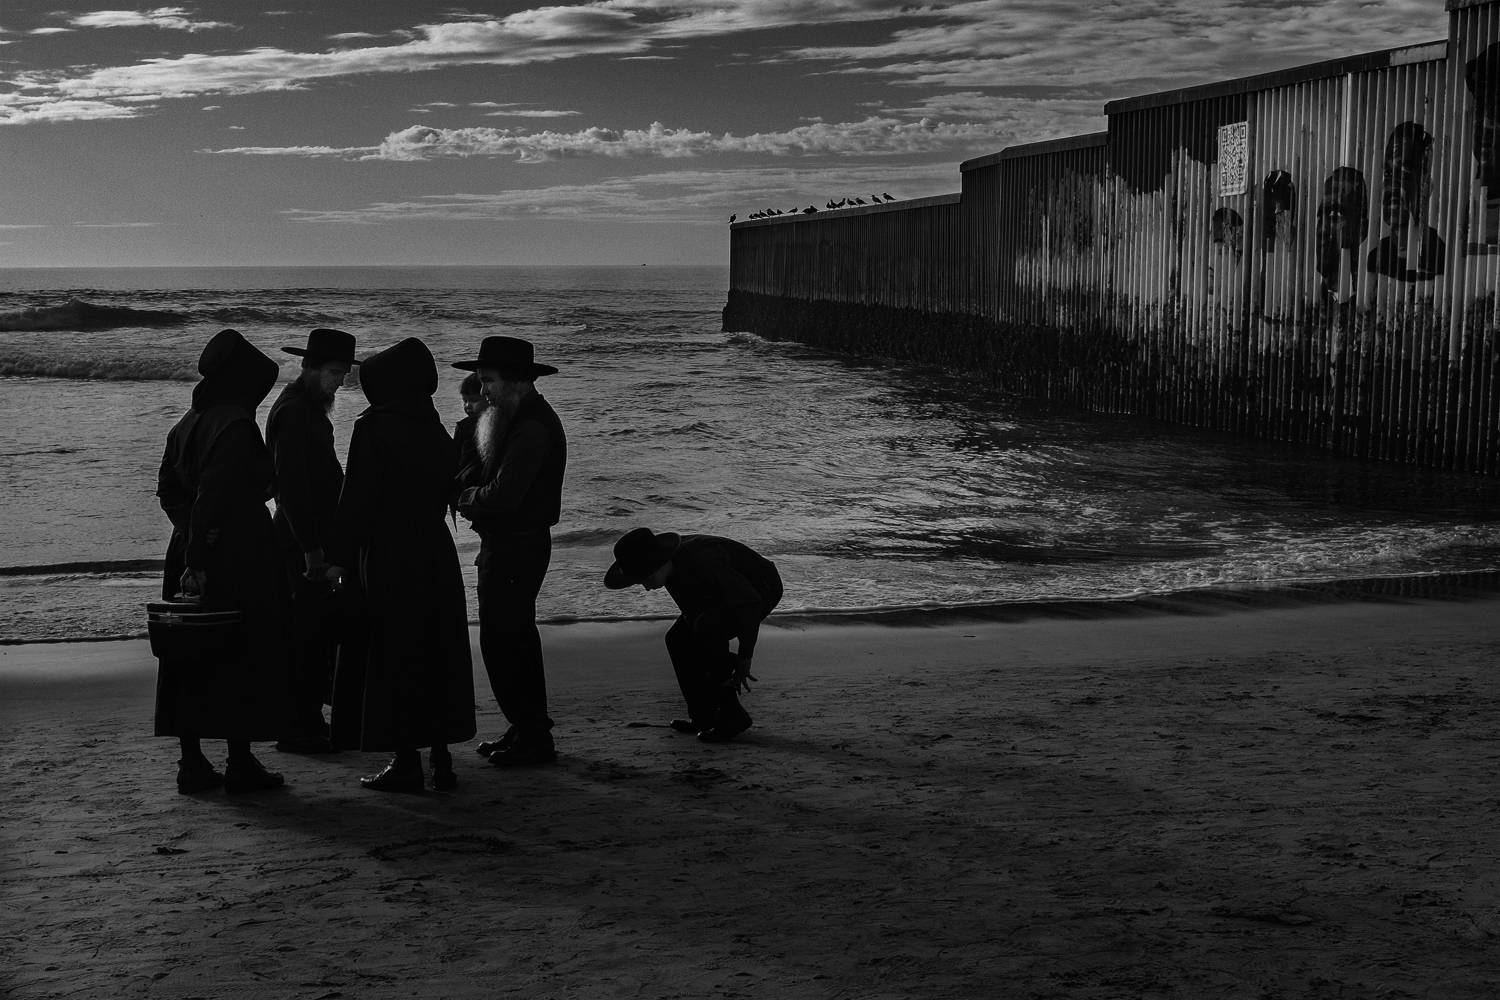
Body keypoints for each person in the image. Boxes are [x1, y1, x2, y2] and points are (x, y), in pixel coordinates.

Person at [324, 337, 477, 792]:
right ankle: (442, 759)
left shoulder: (374, 427)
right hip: (434, 550)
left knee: (395, 654)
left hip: (389, 553)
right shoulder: (434, 426)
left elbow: (356, 500)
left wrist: (338, 559)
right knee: (435, 652)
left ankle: (406, 760)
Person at [154, 329, 293, 794]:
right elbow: (218, 494)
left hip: (187, 548)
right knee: (240, 653)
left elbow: (169, 490)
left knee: (188, 656)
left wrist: (188, 535)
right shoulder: (236, 426)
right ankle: (239, 760)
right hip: (236, 553)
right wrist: (203, 549)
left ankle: (191, 762)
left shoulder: (185, 423)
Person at [452, 336, 567, 767]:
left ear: (517, 380)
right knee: (509, 638)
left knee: (506, 640)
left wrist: (465, 497)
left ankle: (533, 733)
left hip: (517, 545)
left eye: (488, 381)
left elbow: (503, 495)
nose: (483, 391)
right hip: (511, 544)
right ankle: (525, 726)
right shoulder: (519, 418)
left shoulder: (531, 427)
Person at [265, 328, 358, 754]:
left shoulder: (302, 407)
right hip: (299, 539)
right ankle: (297, 725)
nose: (339, 382)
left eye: (343, 374)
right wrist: (311, 548)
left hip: (304, 534)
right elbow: (292, 486)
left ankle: (306, 719)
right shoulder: (295, 412)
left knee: (312, 631)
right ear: (311, 367)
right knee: (305, 633)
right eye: (335, 373)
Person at [604, 528, 783, 743]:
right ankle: (703, 716)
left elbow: (748, 604)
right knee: (677, 638)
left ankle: (733, 714)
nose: (647, 587)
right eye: (640, 581)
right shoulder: (670, 569)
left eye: (648, 578)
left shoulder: (704, 559)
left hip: (761, 588)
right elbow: (691, 613)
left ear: (662, 562)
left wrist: (745, 657)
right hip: (721, 592)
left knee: (707, 629)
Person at [453, 371, 487, 488]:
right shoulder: (463, 426)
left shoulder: (463, 427)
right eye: (465, 401)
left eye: (474, 400)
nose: (467, 406)